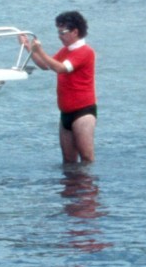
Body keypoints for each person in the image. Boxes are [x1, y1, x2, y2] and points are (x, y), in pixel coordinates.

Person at [22, 10, 97, 165]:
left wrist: (40, 50)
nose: (59, 36)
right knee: (68, 161)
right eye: (58, 32)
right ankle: (70, 188)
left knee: (86, 158)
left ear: (75, 32)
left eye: (62, 32)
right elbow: (45, 65)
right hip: (66, 112)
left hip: (83, 112)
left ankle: (88, 188)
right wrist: (28, 48)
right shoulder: (65, 51)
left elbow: (61, 68)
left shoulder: (85, 52)